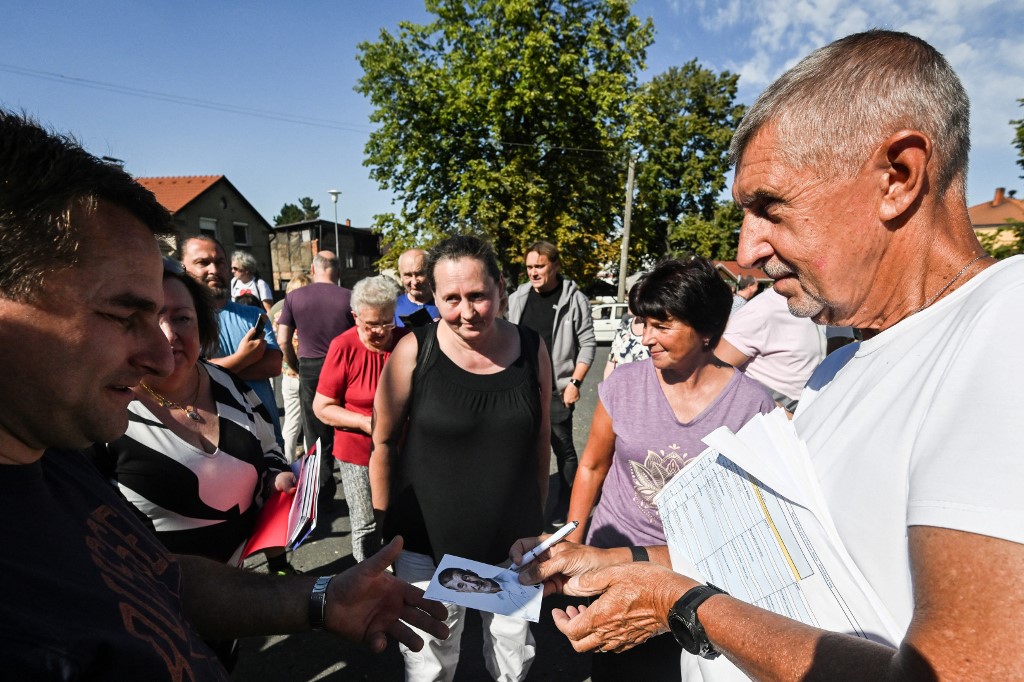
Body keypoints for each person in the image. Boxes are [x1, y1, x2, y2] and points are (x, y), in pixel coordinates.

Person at [512, 30, 1024, 681]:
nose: (749, 248)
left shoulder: (1007, 331)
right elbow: (775, 568)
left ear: (898, 176)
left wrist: (689, 608)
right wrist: (614, 564)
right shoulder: (841, 369)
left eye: (770, 208)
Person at [0, 110, 448, 679]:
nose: (162, 357)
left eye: (176, 320)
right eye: (122, 315)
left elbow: (160, 577)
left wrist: (316, 598)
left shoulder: (53, 456)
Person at [565, 258, 774, 681]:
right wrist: (572, 540)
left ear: (706, 330)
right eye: (643, 323)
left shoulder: (752, 406)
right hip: (613, 559)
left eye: (662, 326)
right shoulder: (623, 386)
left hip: (696, 572)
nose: (646, 338)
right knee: (617, 670)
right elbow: (591, 465)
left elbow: (756, 512)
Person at [91, 262, 298, 668]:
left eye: (181, 318)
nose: (168, 334)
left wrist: (278, 477)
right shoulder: (108, 409)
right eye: (150, 319)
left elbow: (270, 446)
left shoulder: (230, 385)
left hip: (233, 602)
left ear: (202, 325)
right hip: (151, 618)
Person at [372, 235, 552, 682]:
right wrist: (383, 528)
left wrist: (537, 526)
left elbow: (541, 441)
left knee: (513, 660)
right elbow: (383, 443)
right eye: (451, 299)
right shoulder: (415, 350)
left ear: (501, 289)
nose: (466, 312)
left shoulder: (533, 350)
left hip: (513, 546)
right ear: (434, 297)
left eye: (478, 296)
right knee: (430, 661)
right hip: (426, 546)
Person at [313, 274, 404, 562]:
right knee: (366, 523)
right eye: (371, 324)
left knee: (399, 519)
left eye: (387, 322)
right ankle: (364, 585)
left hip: (403, 448)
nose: (380, 331)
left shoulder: (406, 341)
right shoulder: (344, 346)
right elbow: (323, 406)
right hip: (357, 451)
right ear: (355, 317)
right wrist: (364, 422)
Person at [507, 241, 596, 525]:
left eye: (540, 266)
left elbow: (588, 344)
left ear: (555, 265)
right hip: (522, 386)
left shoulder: (575, 298)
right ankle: (527, 506)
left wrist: (575, 382)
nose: (533, 272)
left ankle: (567, 507)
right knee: (521, 447)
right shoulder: (519, 296)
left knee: (563, 448)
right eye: (530, 267)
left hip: (558, 388)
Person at [181, 235, 284, 442]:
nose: (214, 270)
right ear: (183, 269)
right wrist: (245, 356)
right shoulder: (180, 320)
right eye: (203, 263)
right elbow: (186, 376)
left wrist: (208, 369)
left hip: (267, 439)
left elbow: (273, 365)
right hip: (219, 444)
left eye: (220, 262)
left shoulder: (253, 314)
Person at [277, 251, 353, 511]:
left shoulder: (294, 297)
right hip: (344, 365)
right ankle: (355, 482)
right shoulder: (349, 297)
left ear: (312, 269)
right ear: (338, 271)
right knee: (346, 423)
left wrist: (295, 364)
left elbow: (283, 339)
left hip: (309, 365)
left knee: (314, 432)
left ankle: (320, 489)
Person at [715, 286, 826, 412]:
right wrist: (773, 409)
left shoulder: (818, 306)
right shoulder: (761, 311)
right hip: (775, 419)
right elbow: (712, 374)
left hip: (810, 410)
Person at [271, 273, 311, 462]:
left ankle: (287, 462)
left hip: (288, 375)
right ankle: (312, 466)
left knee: (291, 423)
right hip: (309, 374)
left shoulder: (280, 316)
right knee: (311, 424)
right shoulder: (312, 316)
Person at [438, 568, 534, 611]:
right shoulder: (491, 603)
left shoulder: (510, 576)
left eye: (467, 578)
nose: (473, 584)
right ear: (462, 591)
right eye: (462, 585)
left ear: (471, 572)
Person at [394, 248, 440, 327]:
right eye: (408, 275)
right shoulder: (392, 308)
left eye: (420, 274)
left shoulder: (445, 304)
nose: (414, 282)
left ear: (430, 273)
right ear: (400, 276)